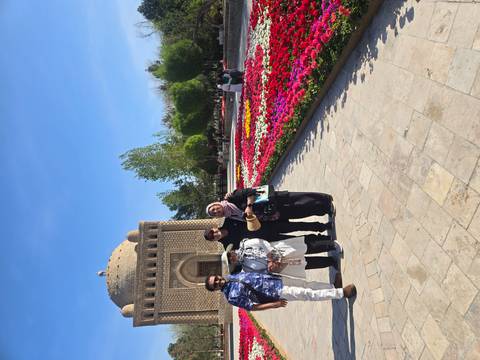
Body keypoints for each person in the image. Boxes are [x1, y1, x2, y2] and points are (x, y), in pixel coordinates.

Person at [205, 272, 356, 311]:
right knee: (307, 294)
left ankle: (332, 286)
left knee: (306, 284)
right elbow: (253, 307)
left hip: (276, 279)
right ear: (216, 289)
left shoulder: (231, 276)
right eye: (215, 284)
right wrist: (274, 304)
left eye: (216, 279)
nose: (218, 281)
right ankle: (342, 293)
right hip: (275, 293)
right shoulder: (231, 297)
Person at [206, 187, 335, 222]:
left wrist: (249, 206)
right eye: (214, 214)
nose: (216, 211)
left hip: (271, 199)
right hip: (272, 213)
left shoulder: (231, 198)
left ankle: (325, 199)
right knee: (300, 212)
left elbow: (250, 191)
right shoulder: (231, 217)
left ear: (216, 204)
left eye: (214, 209)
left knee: (300, 198)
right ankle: (324, 209)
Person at [225, 237, 341, 276]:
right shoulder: (246, 268)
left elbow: (261, 242)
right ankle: (330, 261)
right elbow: (261, 272)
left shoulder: (245, 244)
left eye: (230, 255)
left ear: (231, 251)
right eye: (230, 261)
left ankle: (331, 245)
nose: (232, 258)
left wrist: (270, 259)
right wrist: (270, 268)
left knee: (307, 248)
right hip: (279, 265)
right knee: (306, 264)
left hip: (279, 251)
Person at [203, 217, 332, 249]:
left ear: (214, 228)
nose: (215, 235)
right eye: (212, 237)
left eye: (213, 232)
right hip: (270, 241)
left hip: (270, 225)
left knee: (298, 225)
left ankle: (322, 226)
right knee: (297, 239)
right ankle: (322, 239)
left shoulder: (229, 220)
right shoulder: (229, 246)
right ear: (214, 241)